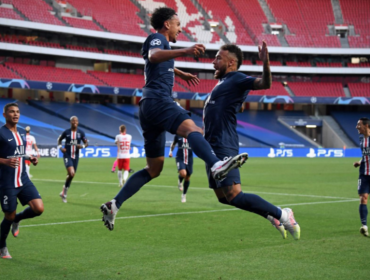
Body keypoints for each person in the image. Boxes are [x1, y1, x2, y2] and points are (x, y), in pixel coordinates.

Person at [100, 7, 248, 231]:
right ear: (167, 25)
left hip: (148, 107)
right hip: (159, 100)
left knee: (154, 168)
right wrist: (186, 50)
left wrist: (180, 73)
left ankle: (115, 204)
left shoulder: (161, 45)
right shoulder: (158, 38)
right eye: (178, 24)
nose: (181, 28)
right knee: (194, 131)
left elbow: (156, 63)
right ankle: (216, 164)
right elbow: (154, 56)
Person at [203, 42, 300, 240]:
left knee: (235, 194)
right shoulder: (223, 81)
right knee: (223, 198)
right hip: (211, 145)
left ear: (231, 63)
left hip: (223, 142)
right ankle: (271, 215)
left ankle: (283, 214)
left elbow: (264, 83)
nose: (214, 62)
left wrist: (266, 63)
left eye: (218, 58)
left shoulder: (237, 78)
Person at [0, 103, 44, 259]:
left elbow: (18, 153)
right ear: (5, 115)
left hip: (23, 178)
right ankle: (2, 246)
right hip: (7, 182)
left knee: (39, 208)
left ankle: (18, 219)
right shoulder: (1, 133)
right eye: (12, 112)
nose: (15, 114)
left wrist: (29, 158)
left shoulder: (20, 134)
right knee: (8, 215)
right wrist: (4, 161)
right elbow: (6, 156)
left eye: (18, 112)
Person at [57, 116, 88, 203]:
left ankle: (63, 193)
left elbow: (86, 143)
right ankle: (64, 194)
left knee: (71, 176)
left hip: (76, 156)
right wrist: (60, 148)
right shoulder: (66, 132)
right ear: (70, 122)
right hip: (67, 155)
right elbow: (59, 140)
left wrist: (82, 146)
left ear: (78, 122)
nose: (75, 122)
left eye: (76, 121)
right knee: (71, 173)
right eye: (73, 121)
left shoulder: (81, 132)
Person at [354, 117, 370, 237]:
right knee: (363, 197)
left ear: (366, 126)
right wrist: (360, 162)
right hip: (364, 173)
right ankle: (364, 226)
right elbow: (365, 155)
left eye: (359, 125)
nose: (356, 127)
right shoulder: (360, 138)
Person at [169, 135, 193, 203]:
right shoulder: (178, 135)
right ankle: (180, 181)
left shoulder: (192, 135)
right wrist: (170, 152)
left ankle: (184, 194)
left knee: (187, 177)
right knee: (183, 173)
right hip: (180, 158)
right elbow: (173, 143)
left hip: (189, 159)